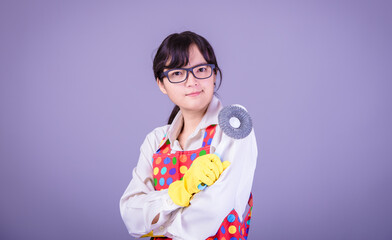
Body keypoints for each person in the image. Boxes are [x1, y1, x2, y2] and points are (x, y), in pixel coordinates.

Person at [119, 31, 258, 240]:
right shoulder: (156, 141)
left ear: (214, 75)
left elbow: (212, 212)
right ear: (161, 84)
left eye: (201, 69)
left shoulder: (232, 126)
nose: (191, 81)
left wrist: (157, 225)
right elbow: (131, 216)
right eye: (177, 73)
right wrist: (180, 192)